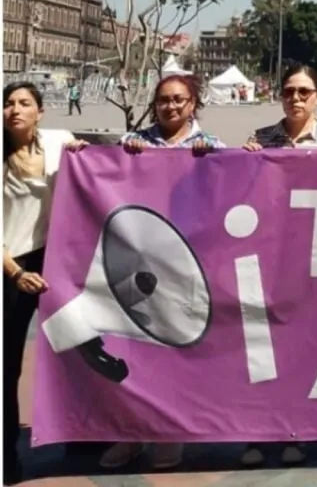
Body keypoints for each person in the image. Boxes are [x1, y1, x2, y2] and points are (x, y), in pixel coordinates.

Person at [98, 75, 223, 471]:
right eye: (164, 100)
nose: (171, 106)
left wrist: (213, 163)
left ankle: (170, 434)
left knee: (177, 352)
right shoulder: (133, 142)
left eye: (179, 100)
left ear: (193, 103)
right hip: (138, 266)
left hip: (187, 265)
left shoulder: (212, 146)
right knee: (132, 351)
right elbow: (100, 175)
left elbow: (233, 187)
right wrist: (111, 155)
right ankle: (130, 435)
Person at [241, 65, 317, 468]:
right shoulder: (260, 140)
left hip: (312, 259)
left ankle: (298, 429)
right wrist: (243, 161)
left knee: (303, 347)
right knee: (261, 349)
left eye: (304, 92)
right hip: (267, 258)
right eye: (289, 91)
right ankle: (257, 430)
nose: (296, 98)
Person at [3, 83, 84, 485]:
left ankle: (85, 440)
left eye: (24, 103)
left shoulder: (58, 141)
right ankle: (6, 457)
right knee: (7, 365)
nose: (14, 110)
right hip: (12, 265)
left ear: (40, 111)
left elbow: (91, 170)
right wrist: (15, 273)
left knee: (80, 350)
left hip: (56, 260)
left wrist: (86, 155)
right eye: (8, 104)